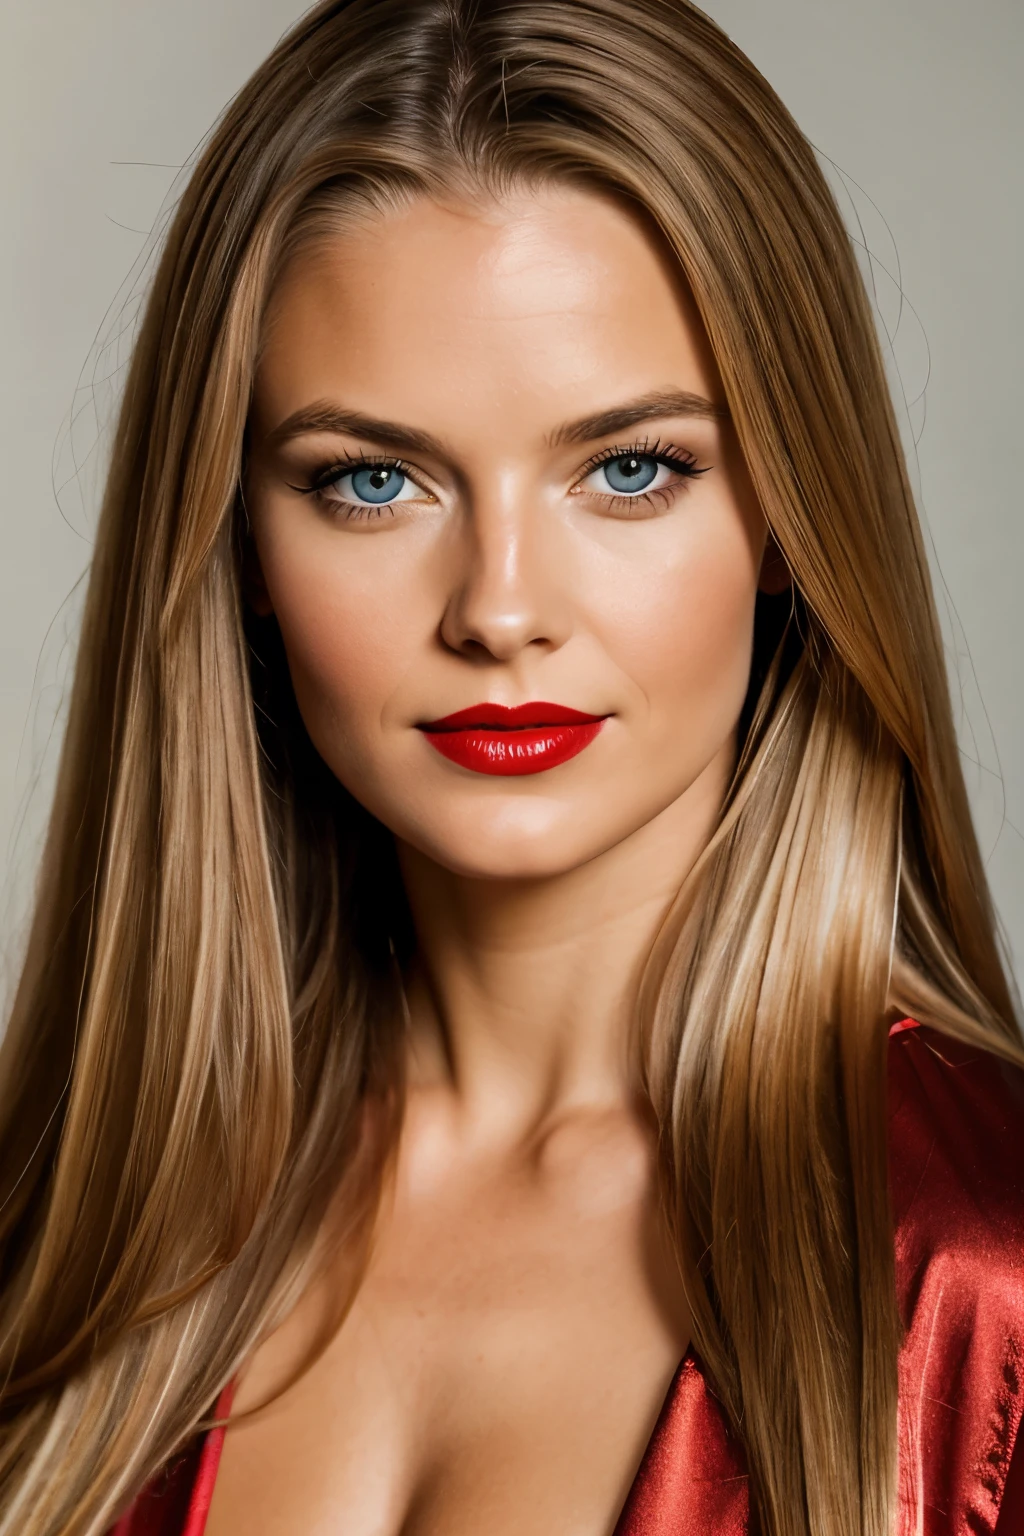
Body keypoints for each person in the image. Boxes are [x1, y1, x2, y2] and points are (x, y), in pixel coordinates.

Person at [1, 1, 1021, 1533]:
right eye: (372, 480)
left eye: (629, 471)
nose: (500, 610)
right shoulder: (71, 1226)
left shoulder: (982, 1284)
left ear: (787, 521)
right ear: (239, 544)